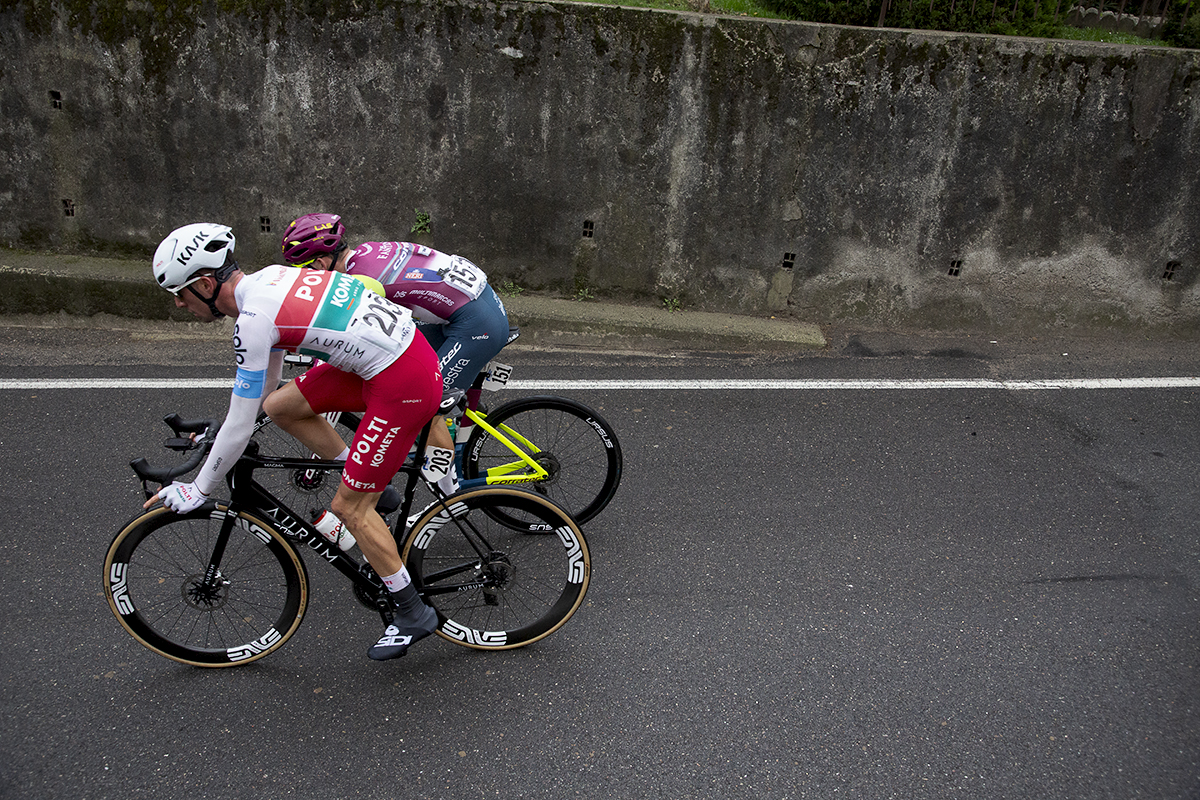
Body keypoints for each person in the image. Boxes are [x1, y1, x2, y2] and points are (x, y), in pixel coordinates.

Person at [144, 222, 443, 661]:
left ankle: (412, 611)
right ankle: (372, 486)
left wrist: (199, 488)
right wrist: (221, 434)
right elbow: (263, 393)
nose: (179, 302)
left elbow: (241, 420)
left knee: (347, 509)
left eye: (181, 292)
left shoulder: (253, 319)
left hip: (402, 378)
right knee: (281, 406)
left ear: (206, 284)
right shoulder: (267, 281)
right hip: (389, 358)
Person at [279, 213, 511, 494]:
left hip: (476, 325)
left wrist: (318, 360)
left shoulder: (360, 282)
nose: (307, 280)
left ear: (320, 263)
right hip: (465, 309)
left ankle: (452, 500)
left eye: (305, 271)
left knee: (425, 406)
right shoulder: (363, 255)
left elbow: (353, 337)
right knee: (410, 369)